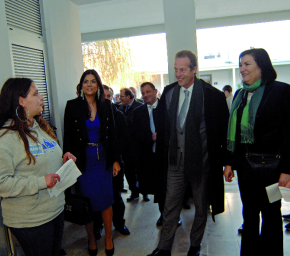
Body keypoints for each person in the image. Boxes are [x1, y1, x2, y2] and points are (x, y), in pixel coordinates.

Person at [147, 50, 229, 256]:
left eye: (183, 70)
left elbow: (222, 131)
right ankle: (163, 248)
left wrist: (226, 161)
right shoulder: (169, 92)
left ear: (194, 69)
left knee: (201, 208)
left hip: (201, 163)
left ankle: (194, 246)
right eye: (176, 69)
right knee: (169, 206)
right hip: (175, 162)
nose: (178, 74)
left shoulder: (212, 96)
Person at [0, 78, 76, 256]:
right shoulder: (4, 139)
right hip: (31, 220)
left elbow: (43, 159)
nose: (41, 97)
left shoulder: (39, 127)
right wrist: (40, 182)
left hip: (54, 210)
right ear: (21, 101)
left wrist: (62, 160)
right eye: (35, 94)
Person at [224, 48, 290, 256]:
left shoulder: (281, 91)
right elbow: (233, 132)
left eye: (247, 64)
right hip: (246, 170)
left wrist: (287, 170)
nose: (242, 69)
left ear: (262, 67)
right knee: (249, 216)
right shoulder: (240, 94)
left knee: (271, 215)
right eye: (241, 64)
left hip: (274, 170)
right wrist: (229, 163)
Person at [63, 70, 121, 256]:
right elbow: (68, 136)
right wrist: (67, 158)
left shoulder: (106, 106)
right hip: (83, 161)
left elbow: (113, 135)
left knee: (106, 200)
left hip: (103, 160)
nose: (89, 85)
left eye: (93, 81)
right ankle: (91, 238)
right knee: (86, 202)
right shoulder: (72, 106)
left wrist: (116, 160)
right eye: (86, 81)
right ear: (81, 86)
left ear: (98, 85)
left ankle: (108, 238)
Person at [92, 85, 130, 239]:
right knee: (96, 196)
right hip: (97, 164)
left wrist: (114, 156)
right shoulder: (93, 116)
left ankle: (119, 224)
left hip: (114, 162)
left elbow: (124, 140)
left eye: (109, 96)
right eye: (103, 96)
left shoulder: (118, 115)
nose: (106, 98)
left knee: (116, 196)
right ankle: (98, 226)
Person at [118, 88, 144, 201]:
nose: (120, 98)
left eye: (122, 96)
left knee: (140, 170)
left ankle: (144, 191)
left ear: (129, 97)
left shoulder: (140, 106)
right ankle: (134, 192)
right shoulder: (120, 108)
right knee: (128, 170)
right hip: (125, 147)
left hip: (138, 146)